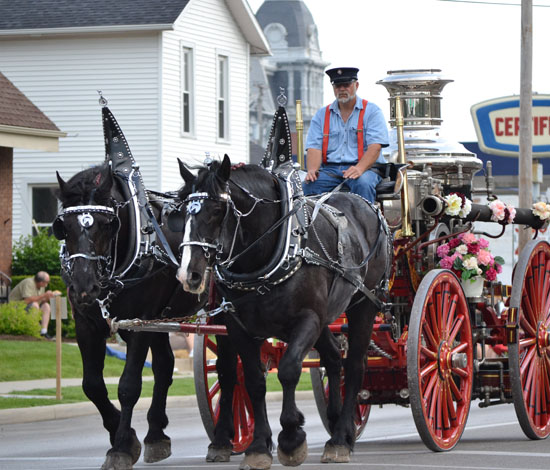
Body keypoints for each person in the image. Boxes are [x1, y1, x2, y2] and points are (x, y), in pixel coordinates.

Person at [303, 67, 389, 203]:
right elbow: (314, 147)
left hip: (366, 169)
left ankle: (364, 223)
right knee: (309, 185)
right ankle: (315, 224)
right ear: (333, 87)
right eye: (337, 85)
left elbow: (375, 147)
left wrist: (359, 168)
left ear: (356, 85)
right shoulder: (321, 115)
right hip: (330, 170)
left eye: (346, 85)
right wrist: (312, 170)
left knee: (363, 184)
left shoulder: (372, 111)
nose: (342, 89)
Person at [8, 271, 60, 339]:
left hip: (31, 306)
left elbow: (40, 301)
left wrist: (47, 298)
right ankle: (34, 330)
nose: (47, 284)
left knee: (46, 306)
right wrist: (44, 295)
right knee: (34, 305)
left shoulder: (41, 286)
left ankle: (43, 332)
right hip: (16, 306)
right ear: (41, 282)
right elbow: (27, 301)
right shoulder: (28, 283)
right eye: (47, 282)